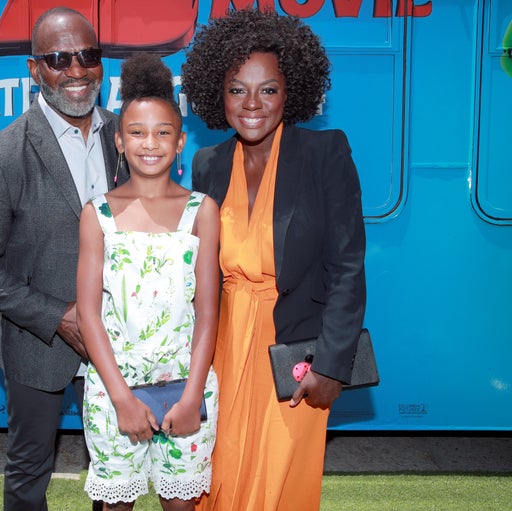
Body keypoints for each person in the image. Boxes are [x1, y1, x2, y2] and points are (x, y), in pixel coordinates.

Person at [181, 9, 366, 511]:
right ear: (218, 95)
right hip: (221, 349)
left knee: (279, 482)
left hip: (296, 355)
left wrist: (331, 365)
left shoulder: (325, 153)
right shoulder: (207, 164)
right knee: (215, 473)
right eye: (238, 89)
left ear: (292, 91)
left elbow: (347, 267)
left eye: (269, 89)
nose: (253, 104)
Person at [0, 7, 128, 511]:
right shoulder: (1, 154)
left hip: (122, 334)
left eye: (87, 56)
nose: (76, 70)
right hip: (38, 341)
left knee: (116, 470)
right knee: (30, 471)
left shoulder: (128, 137)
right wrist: (57, 316)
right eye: (58, 58)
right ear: (34, 69)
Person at [76, 53, 220, 511]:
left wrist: (193, 393)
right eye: (137, 132)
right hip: (113, 391)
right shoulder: (96, 215)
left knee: (181, 504)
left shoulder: (204, 211)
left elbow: (208, 313)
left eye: (163, 133)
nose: (150, 143)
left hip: (186, 389)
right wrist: (121, 399)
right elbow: (88, 315)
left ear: (180, 143)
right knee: (116, 505)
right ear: (119, 141)